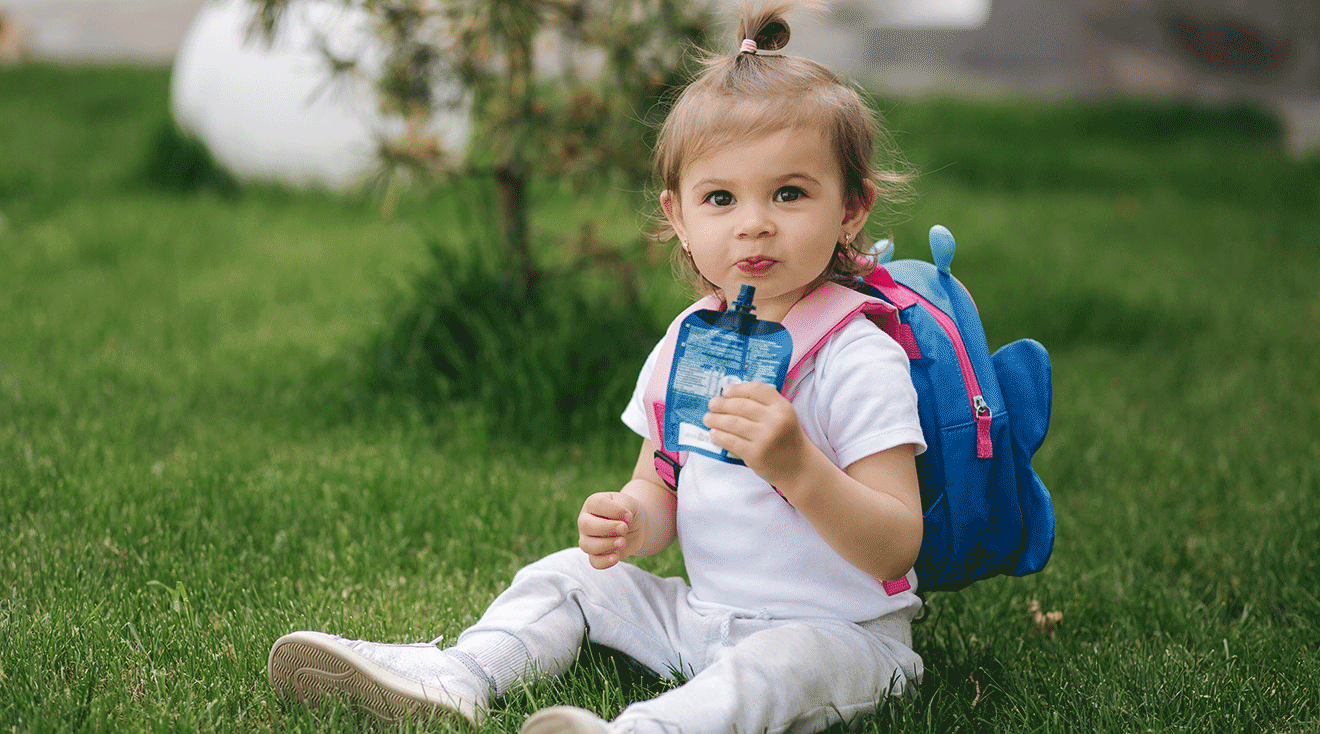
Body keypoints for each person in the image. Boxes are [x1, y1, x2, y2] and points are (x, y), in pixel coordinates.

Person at [267, 3, 926, 732]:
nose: (754, 222)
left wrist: (799, 466)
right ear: (678, 216)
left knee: (777, 668)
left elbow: (897, 542)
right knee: (567, 576)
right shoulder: (688, 343)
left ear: (853, 208)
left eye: (790, 193)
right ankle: (462, 672)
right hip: (701, 620)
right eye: (720, 198)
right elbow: (660, 483)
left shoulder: (858, 355)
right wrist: (630, 521)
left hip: (841, 636)